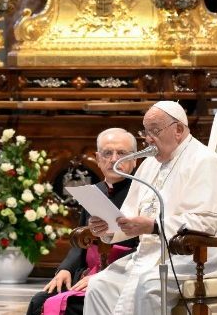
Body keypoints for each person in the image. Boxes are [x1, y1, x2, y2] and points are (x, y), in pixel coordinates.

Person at [83, 101, 217, 314]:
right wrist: (108, 227)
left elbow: (206, 223)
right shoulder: (150, 163)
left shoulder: (203, 161)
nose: (148, 139)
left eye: (154, 131)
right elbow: (129, 213)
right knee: (99, 286)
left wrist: (154, 226)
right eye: (145, 132)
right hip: (152, 253)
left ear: (178, 130)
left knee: (148, 286)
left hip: (199, 253)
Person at [26, 128, 140, 315]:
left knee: (70, 308)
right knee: (39, 301)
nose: (114, 159)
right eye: (107, 153)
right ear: (97, 158)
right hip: (87, 273)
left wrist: (104, 276)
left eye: (121, 153)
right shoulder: (94, 191)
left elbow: (144, 247)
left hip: (120, 276)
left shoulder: (141, 193)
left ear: (135, 159)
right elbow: (81, 241)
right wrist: (65, 269)